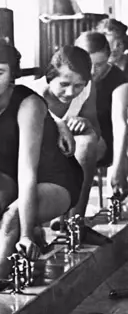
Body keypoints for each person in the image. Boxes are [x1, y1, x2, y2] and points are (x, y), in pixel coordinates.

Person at [0, 36, 84, 301]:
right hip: (14, 181)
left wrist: (28, 233)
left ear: (12, 75)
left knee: (12, 219)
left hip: (55, 178)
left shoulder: (28, 104)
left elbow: (28, 171)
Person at [24, 45, 107, 242]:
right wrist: (58, 124)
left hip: (67, 154)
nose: (71, 92)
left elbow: (95, 128)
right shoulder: (30, 94)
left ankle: (75, 223)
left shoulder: (87, 89)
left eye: (78, 86)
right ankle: (40, 222)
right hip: (34, 157)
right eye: (64, 84)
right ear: (49, 76)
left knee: (88, 143)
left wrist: (84, 123)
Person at [75, 31, 128, 200]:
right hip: (72, 136)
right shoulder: (70, 74)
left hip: (104, 142)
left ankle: (74, 216)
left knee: (84, 143)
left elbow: (120, 124)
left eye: (99, 64)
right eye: (87, 64)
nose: (92, 71)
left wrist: (119, 167)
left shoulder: (119, 80)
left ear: (108, 57)